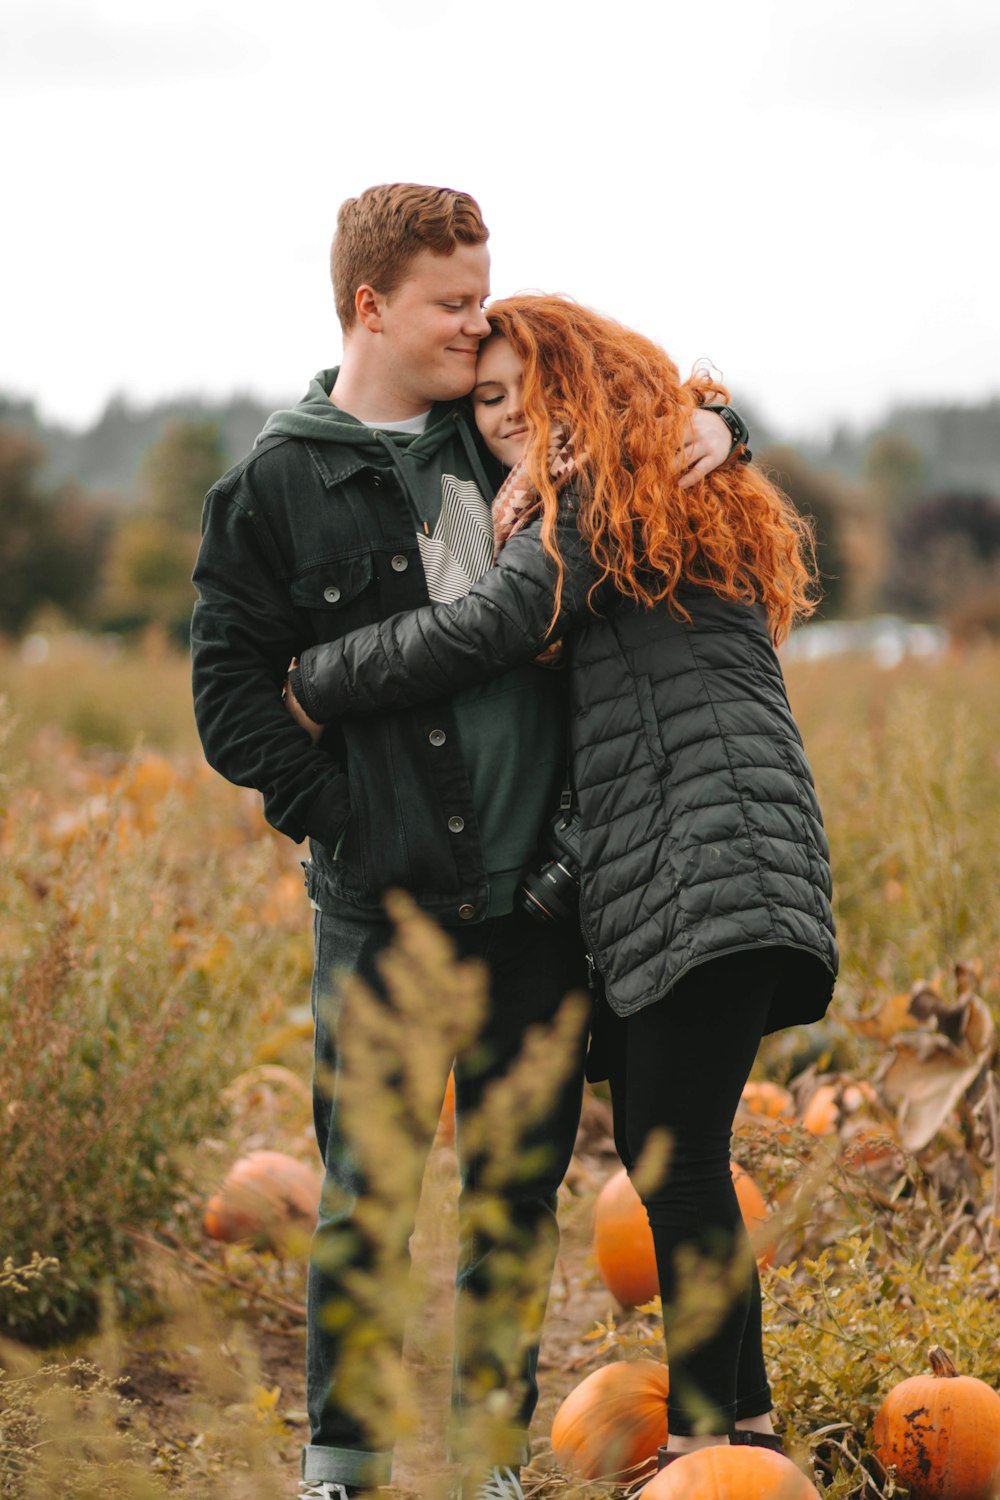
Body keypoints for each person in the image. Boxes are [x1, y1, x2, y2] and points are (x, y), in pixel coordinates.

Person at [190, 185, 740, 1500]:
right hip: (379, 910)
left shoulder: (487, 423)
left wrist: (723, 422)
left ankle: (490, 1459)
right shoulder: (271, 487)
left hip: (533, 910)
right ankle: (344, 1464)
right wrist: (351, 825)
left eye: (482, 296)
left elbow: (633, 417)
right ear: (371, 305)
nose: (475, 322)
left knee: (513, 1197)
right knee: (368, 1195)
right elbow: (228, 705)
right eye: (451, 301)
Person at [285, 294, 839, 1482]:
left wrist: (320, 680)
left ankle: (708, 1443)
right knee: (671, 1147)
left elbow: (488, 625)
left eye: (527, 394)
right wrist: (719, 420)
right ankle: (742, 1425)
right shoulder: (655, 474)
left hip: (706, 859)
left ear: (584, 384)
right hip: (715, 856)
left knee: (676, 1156)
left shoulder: (602, 487)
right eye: (485, 402)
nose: (506, 419)